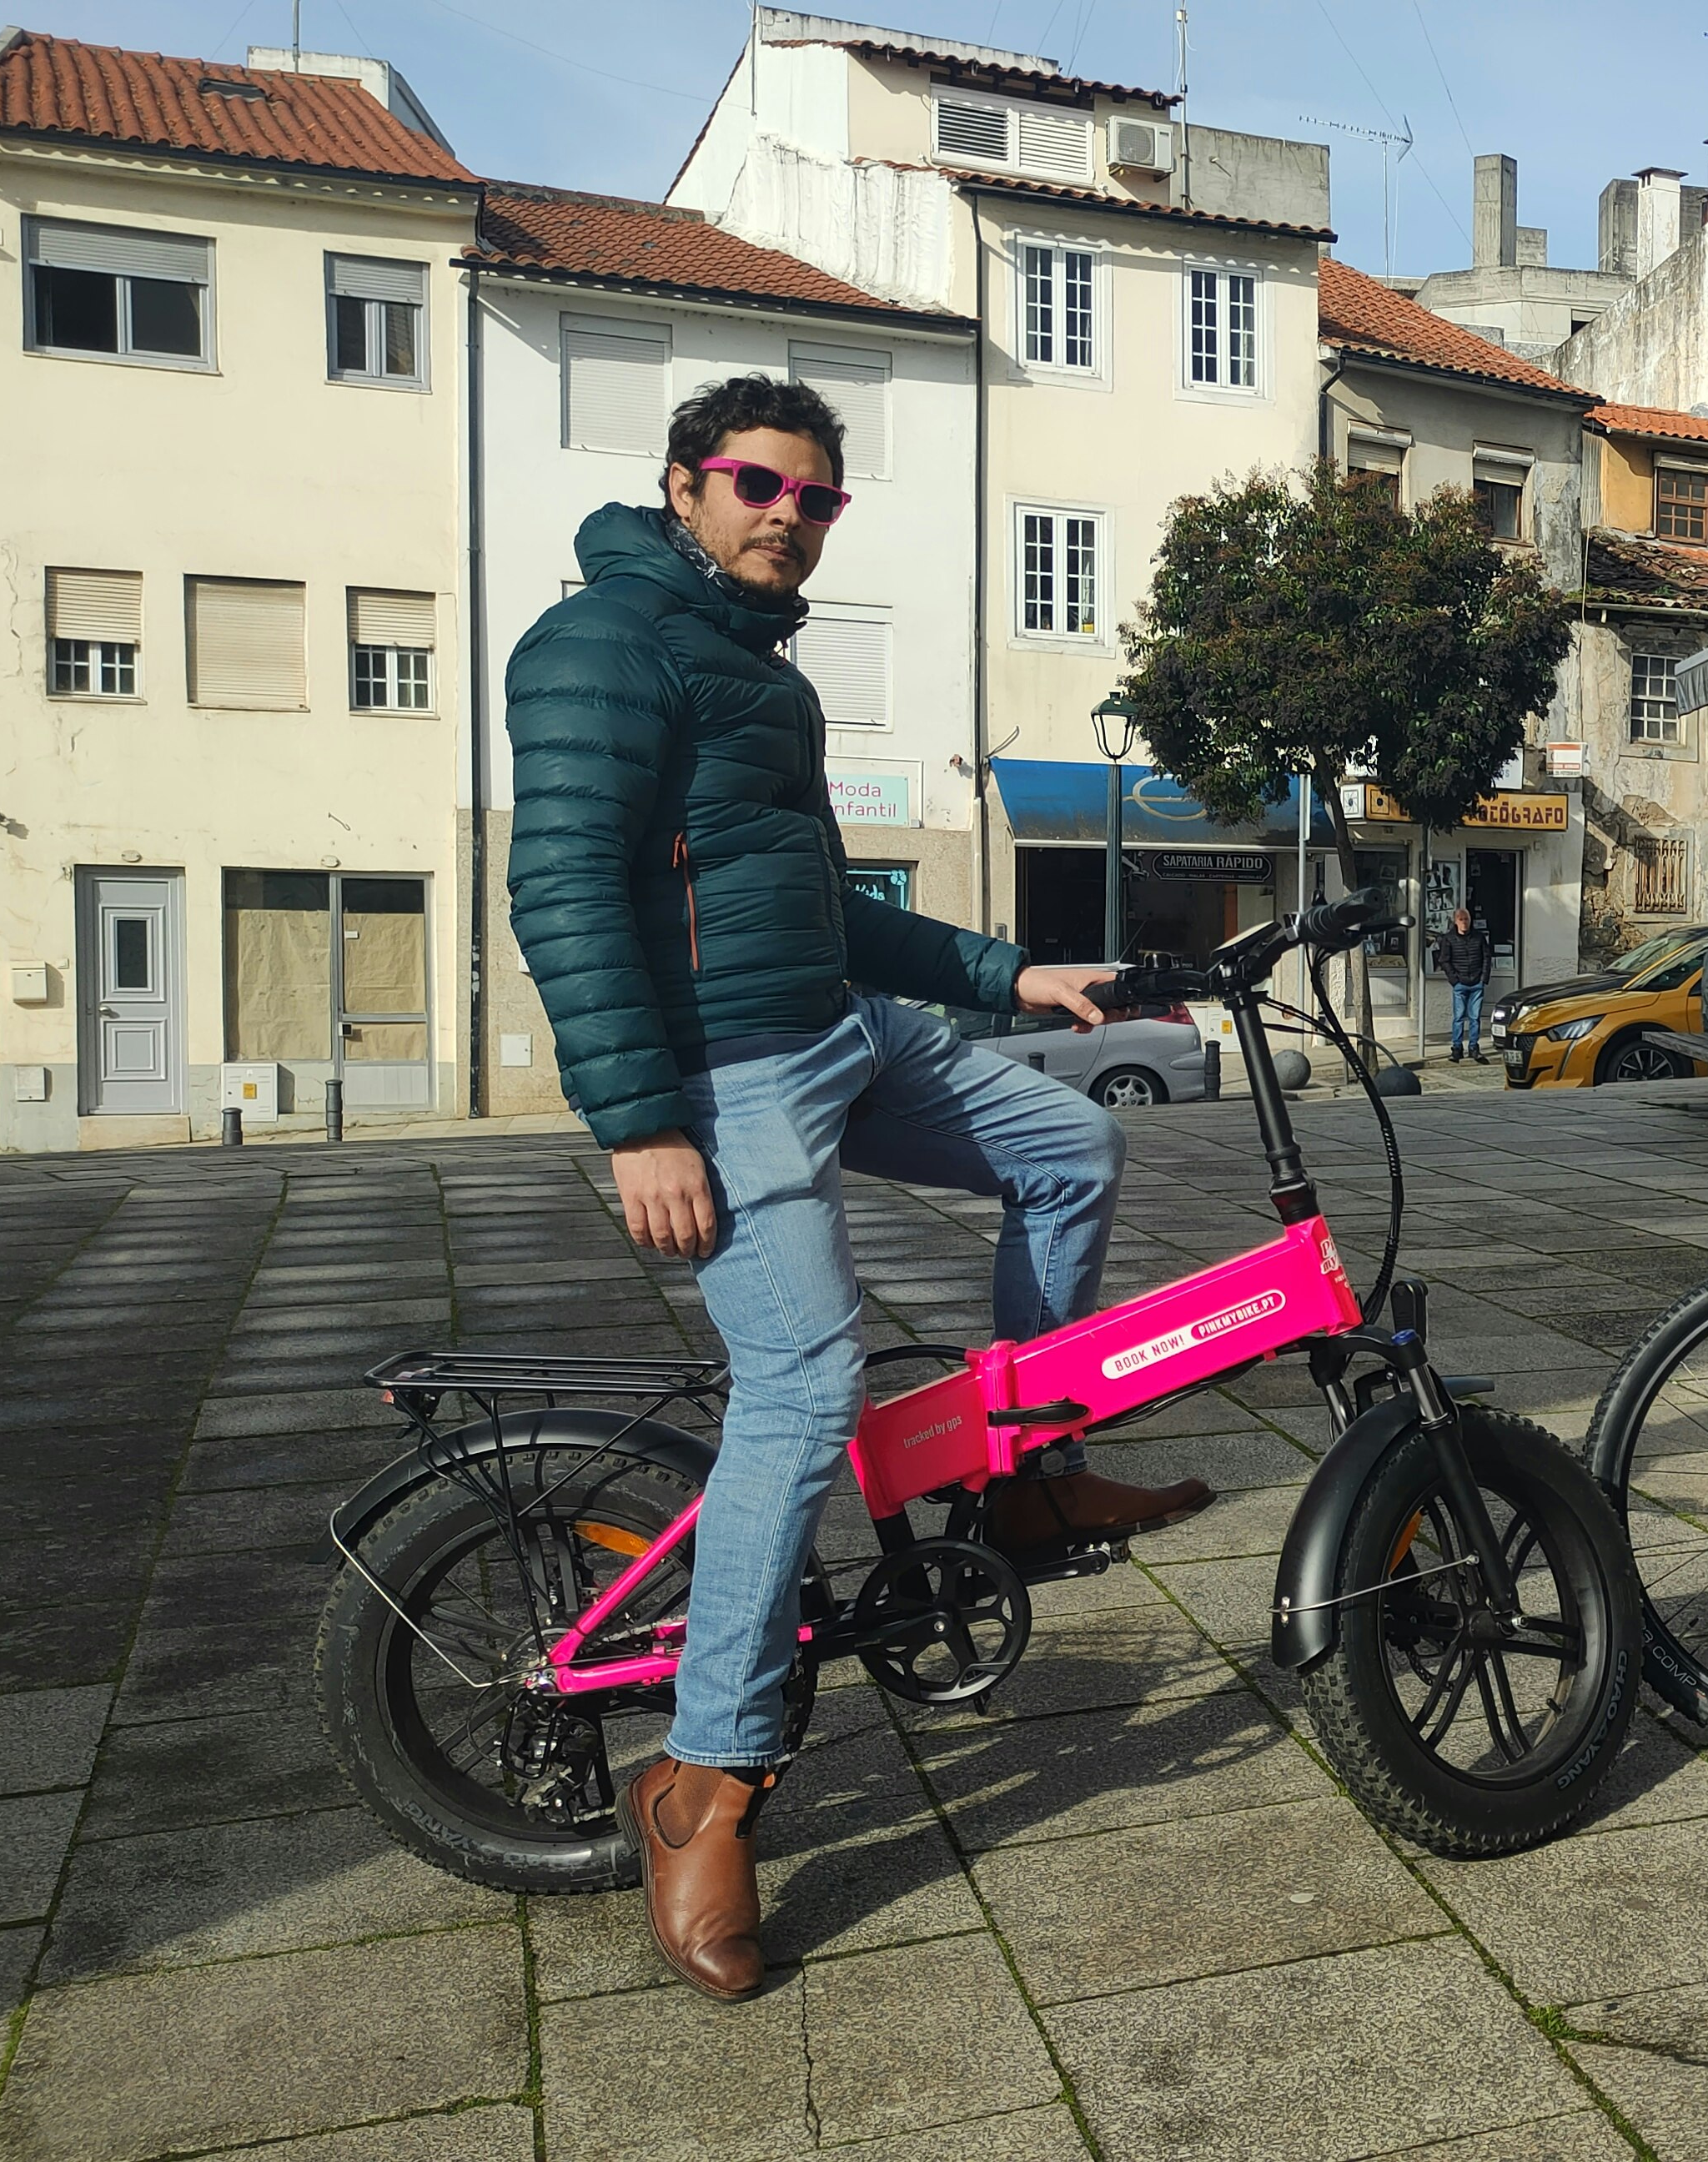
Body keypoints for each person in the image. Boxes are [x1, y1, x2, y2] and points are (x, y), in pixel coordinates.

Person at [505, 375, 1214, 2001]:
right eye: (760, 485)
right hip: (718, 1075)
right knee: (806, 1376)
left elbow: (822, 905)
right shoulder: (602, 644)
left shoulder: (760, 672)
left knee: (1071, 1146)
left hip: (845, 1029)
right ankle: (710, 1777)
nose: (786, 517)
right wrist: (638, 1121)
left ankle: (1026, 1475)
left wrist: (1005, 972)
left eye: (814, 500)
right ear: (687, 483)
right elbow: (559, 885)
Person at [1434, 904, 1493, 1059]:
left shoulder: (1478, 937)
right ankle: (1457, 1048)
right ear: (1455, 921)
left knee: (1475, 1018)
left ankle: (1474, 1047)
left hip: (1476, 982)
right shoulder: (1449, 939)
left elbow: (1487, 957)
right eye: (1461, 920)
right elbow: (1444, 960)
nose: (1464, 922)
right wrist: (1454, 980)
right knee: (1459, 1017)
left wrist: (1483, 978)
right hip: (1460, 983)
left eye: (1466, 919)